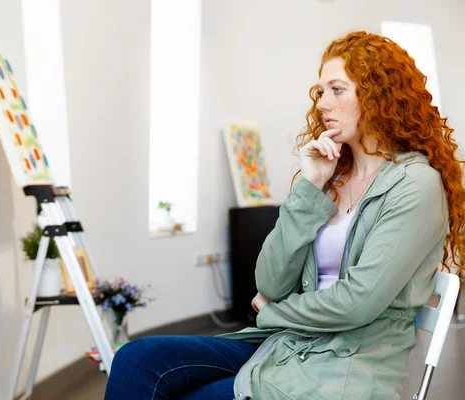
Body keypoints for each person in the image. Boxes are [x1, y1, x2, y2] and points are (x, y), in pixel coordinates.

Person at [104, 31, 465, 399]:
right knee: (137, 358)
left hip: (344, 364)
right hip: (287, 341)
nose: (322, 102)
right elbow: (270, 282)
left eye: (337, 89)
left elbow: (358, 302)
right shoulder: (333, 175)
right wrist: (310, 186)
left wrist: (273, 311)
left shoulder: (416, 184)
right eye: (321, 90)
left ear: (378, 95)